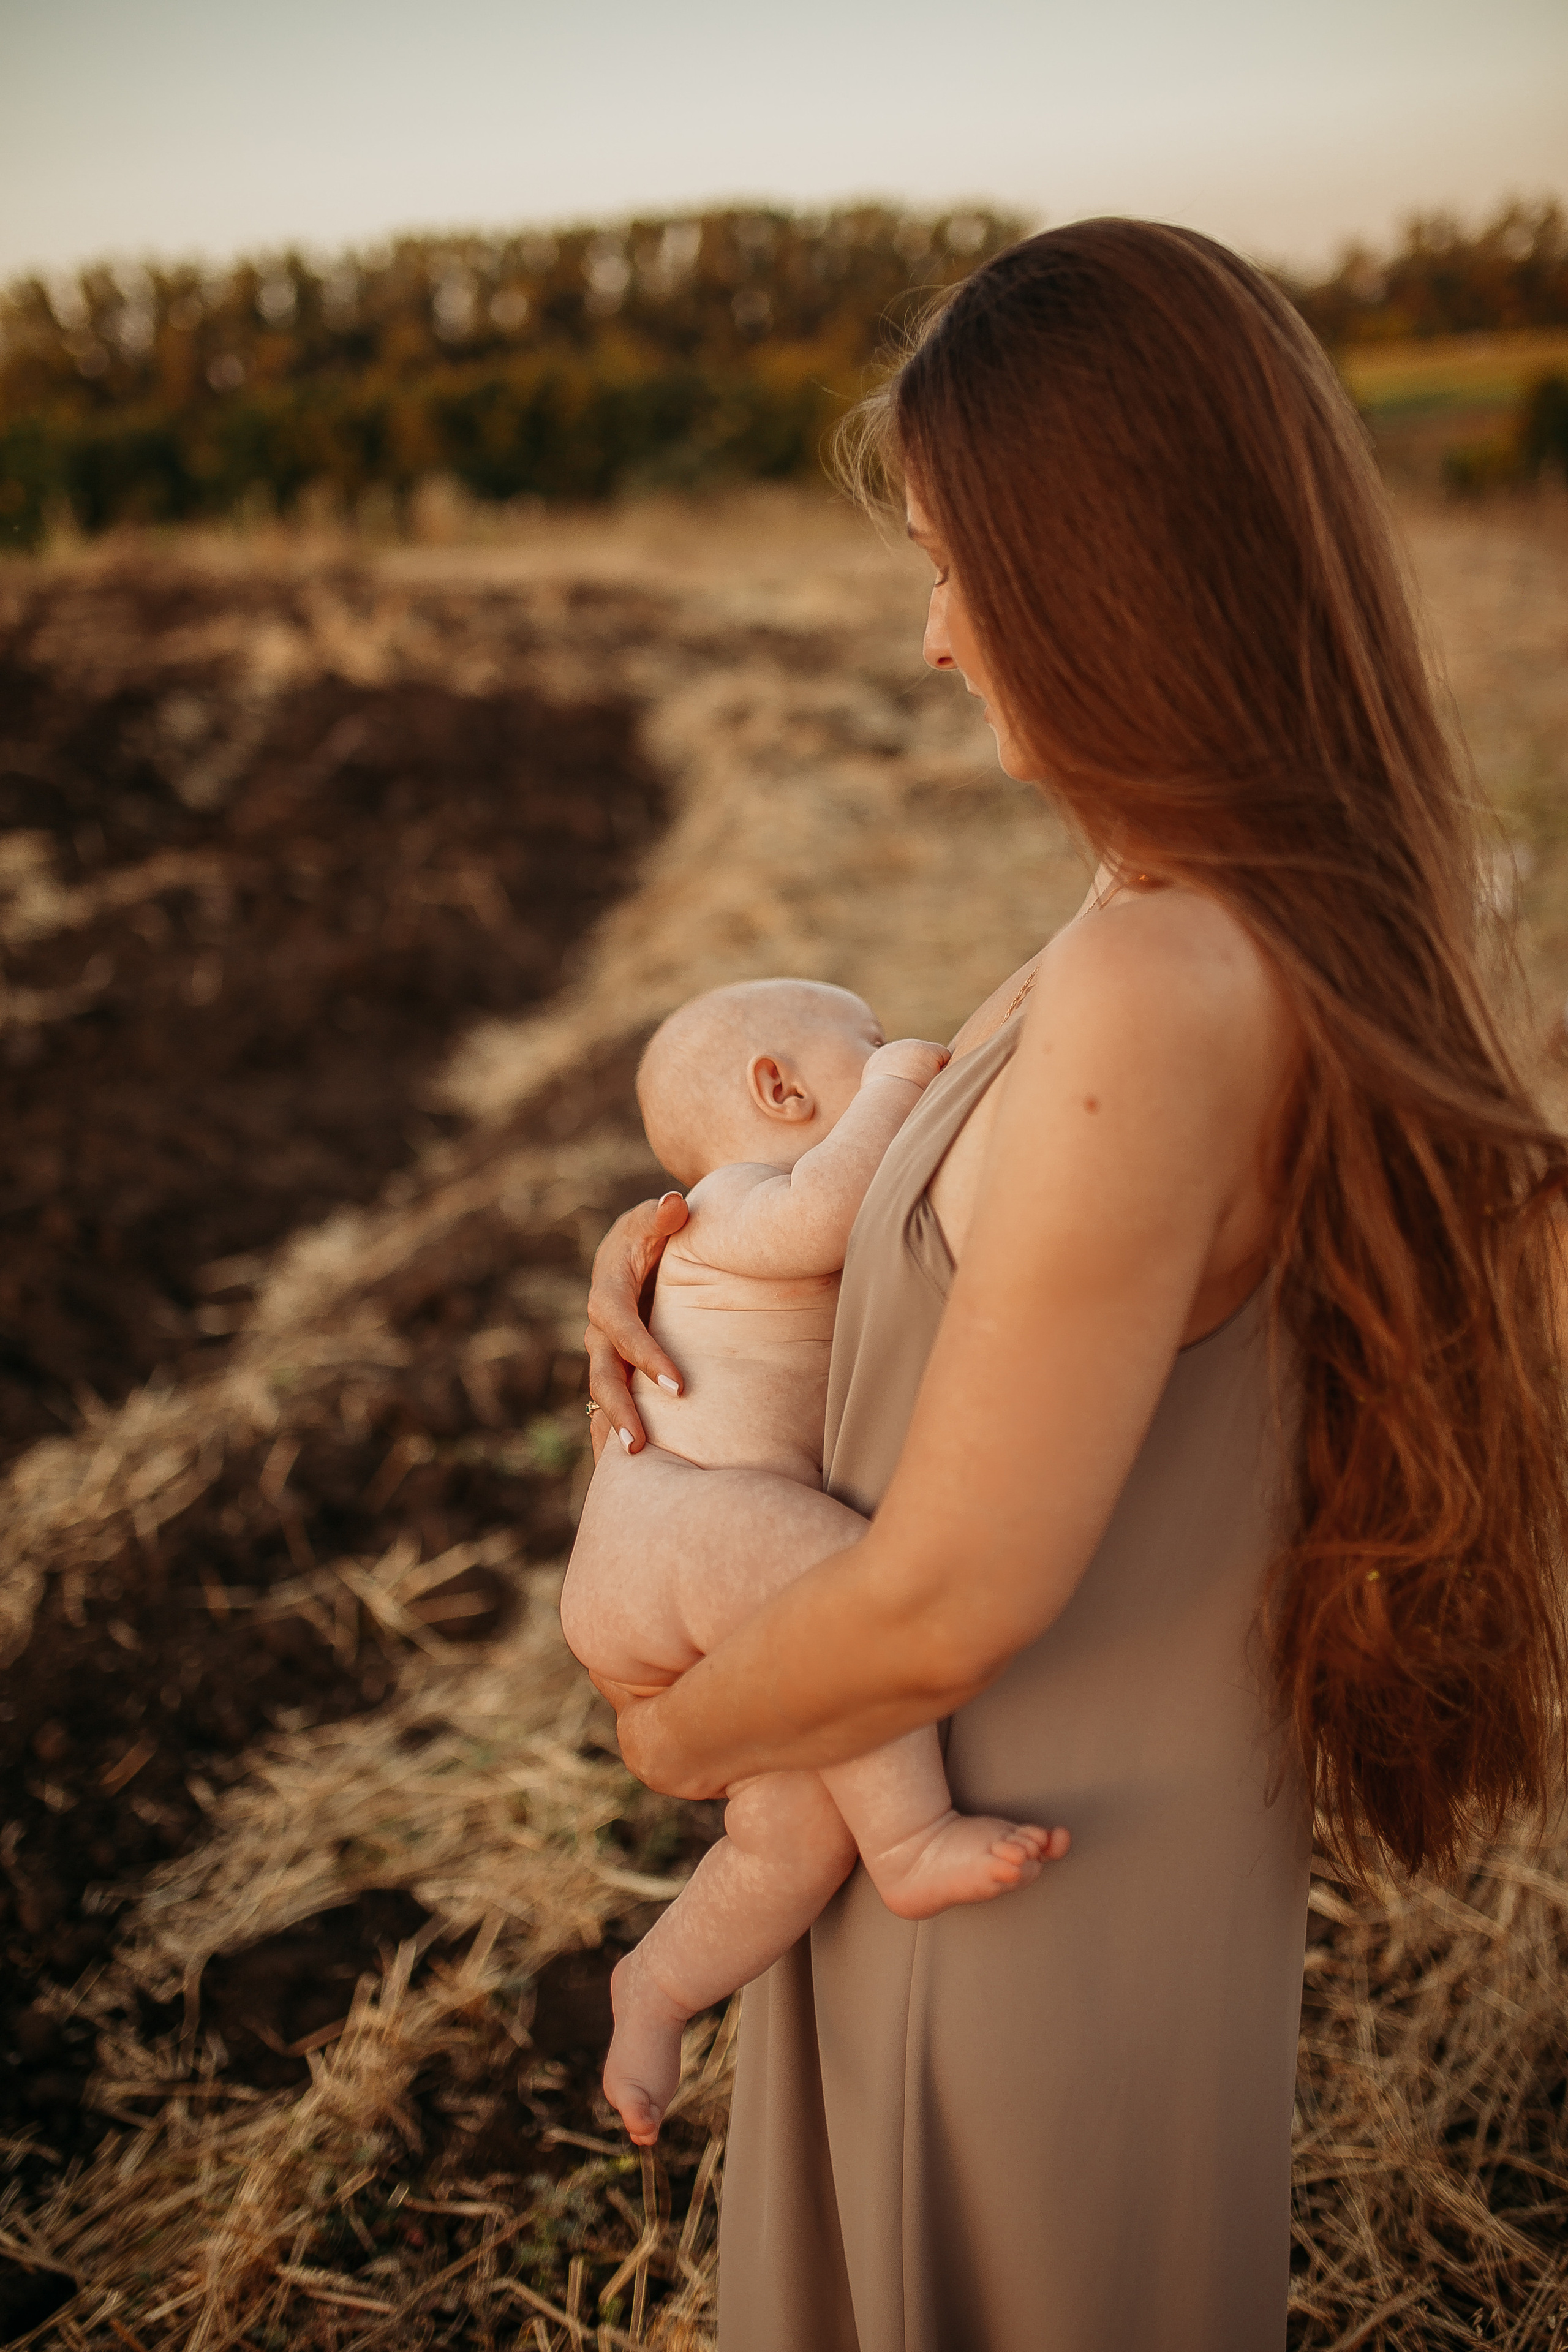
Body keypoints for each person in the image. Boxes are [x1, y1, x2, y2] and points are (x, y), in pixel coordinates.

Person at [577, 221, 1568, 2351]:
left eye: (959, 566)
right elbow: (967, 1237)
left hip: (1015, 1877)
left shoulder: (1154, 974)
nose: (936, 639)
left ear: (1101, 577)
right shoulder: (1191, 915)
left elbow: (951, 1595)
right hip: (1039, 1842)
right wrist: (686, 1238)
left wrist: (675, 1732)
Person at [562, 978, 1066, 2146]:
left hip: (698, 1559)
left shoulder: (743, 1206)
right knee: (841, 1575)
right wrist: (901, 1083)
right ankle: (913, 1841)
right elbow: (833, 1214)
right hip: (674, 1521)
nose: (897, 1054)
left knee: (793, 1827)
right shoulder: (736, 1200)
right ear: (781, 1090)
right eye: (869, 1042)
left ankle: (661, 1986)